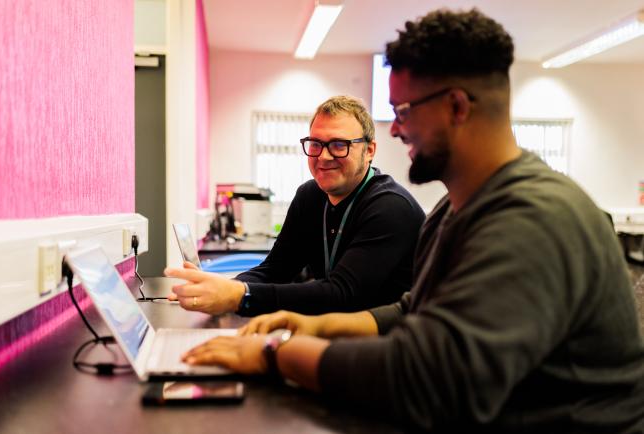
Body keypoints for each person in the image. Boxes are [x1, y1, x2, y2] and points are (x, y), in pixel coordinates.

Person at [177, 8, 644, 433]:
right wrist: (318, 327)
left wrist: (275, 354)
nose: (395, 128)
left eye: (403, 111)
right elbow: (412, 309)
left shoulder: (533, 218)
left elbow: (428, 382)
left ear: (458, 107)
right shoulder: (455, 206)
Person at [165, 95, 425, 316]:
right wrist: (221, 287)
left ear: (369, 150)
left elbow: (343, 294)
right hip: (335, 332)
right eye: (315, 144)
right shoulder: (310, 196)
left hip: (389, 349)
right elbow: (274, 270)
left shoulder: (390, 207)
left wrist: (239, 294)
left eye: (338, 145)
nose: (323, 156)